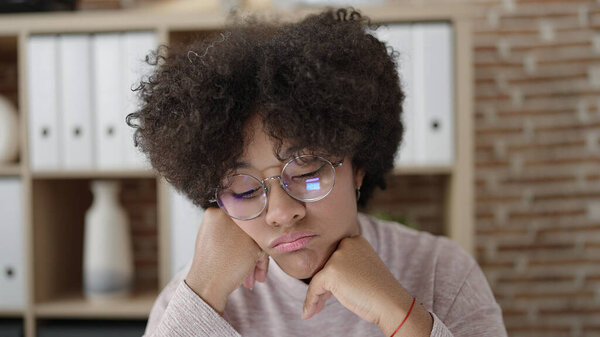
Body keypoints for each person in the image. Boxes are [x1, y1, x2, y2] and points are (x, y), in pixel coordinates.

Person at [127, 7, 507, 337]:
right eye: (243, 189)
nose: (280, 212)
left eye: (307, 172)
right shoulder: (196, 297)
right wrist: (205, 290)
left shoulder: (441, 271)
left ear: (357, 168)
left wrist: (395, 311)